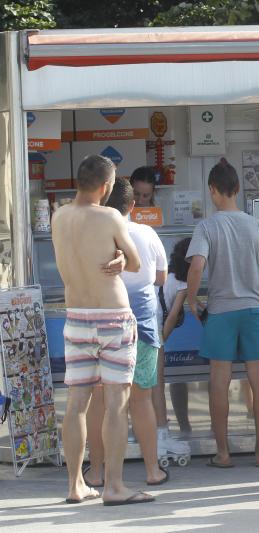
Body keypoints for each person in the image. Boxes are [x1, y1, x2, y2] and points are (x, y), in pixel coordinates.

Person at [52, 154, 153, 505]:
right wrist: (124, 259)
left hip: (76, 315)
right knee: (115, 404)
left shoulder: (58, 216)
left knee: (76, 404)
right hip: (112, 316)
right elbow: (137, 263)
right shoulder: (110, 215)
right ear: (107, 186)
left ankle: (75, 485)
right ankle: (113, 486)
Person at [186, 158, 259, 468]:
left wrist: (191, 298)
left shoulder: (206, 226)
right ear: (238, 189)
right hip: (253, 309)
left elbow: (197, 265)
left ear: (212, 189)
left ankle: (223, 453)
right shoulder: (256, 225)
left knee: (219, 382)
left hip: (221, 310)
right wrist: (249, 277)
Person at [83, 177, 169, 488]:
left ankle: (95, 472)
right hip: (142, 323)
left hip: (102, 320)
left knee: (100, 399)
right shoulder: (146, 233)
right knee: (141, 399)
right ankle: (152, 471)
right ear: (133, 205)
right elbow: (161, 278)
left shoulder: (94, 234)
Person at [155, 237, 195, 448]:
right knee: (157, 383)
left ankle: (139, 428)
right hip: (154, 327)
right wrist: (161, 340)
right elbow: (172, 316)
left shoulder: (166, 273)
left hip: (141, 321)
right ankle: (161, 434)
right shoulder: (183, 282)